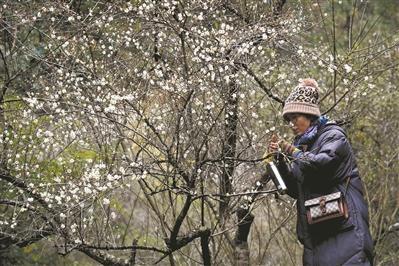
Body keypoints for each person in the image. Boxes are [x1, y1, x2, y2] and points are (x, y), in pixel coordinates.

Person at [267, 78, 373, 265]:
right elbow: (296, 189)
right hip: (318, 235)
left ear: (309, 116)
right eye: (289, 120)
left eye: (295, 118)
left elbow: (320, 165)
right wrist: (279, 161)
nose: (291, 124)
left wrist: (291, 151)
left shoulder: (333, 136)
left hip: (346, 233)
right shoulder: (303, 148)